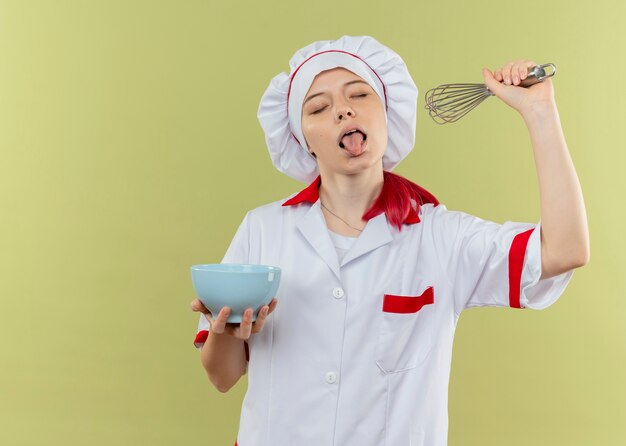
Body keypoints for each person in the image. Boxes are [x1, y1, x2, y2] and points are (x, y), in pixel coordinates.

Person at [190, 35, 589, 446]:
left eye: (359, 94)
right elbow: (223, 377)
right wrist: (224, 332)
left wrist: (541, 114)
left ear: (387, 112)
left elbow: (564, 250)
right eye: (319, 107)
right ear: (302, 139)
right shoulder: (263, 230)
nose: (343, 109)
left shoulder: (439, 236)